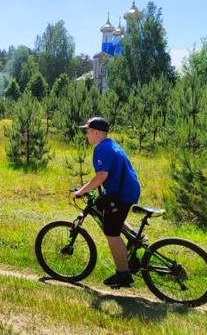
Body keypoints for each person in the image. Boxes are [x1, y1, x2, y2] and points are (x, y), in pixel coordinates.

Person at [73, 116, 141, 288]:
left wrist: (81, 191)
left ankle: (123, 275)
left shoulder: (101, 150)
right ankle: (134, 238)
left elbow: (101, 176)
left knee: (111, 232)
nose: (86, 134)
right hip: (126, 189)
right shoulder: (111, 144)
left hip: (122, 194)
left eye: (87, 131)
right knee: (102, 206)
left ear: (96, 132)